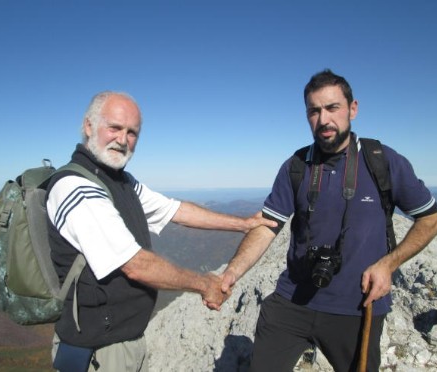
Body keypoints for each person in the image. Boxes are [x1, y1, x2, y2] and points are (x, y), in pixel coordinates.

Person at [214, 69, 437, 371]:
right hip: (292, 301)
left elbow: (431, 219)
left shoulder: (382, 161)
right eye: (314, 111)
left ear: (353, 109)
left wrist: (388, 264)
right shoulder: (296, 166)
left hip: (357, 306)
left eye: (332, 107)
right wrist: (230, 274)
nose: (323, 119)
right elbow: (268, 226)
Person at [46, 91, 276, 372]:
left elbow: (176, 210)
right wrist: (206, 285)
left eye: (132, 133)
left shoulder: (119, 182)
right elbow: (136, 265)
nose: (123, 139)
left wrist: (243, 224)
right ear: (89, 126)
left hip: (124, 341)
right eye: (115, 127)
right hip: (96, 350)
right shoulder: (77, 188)